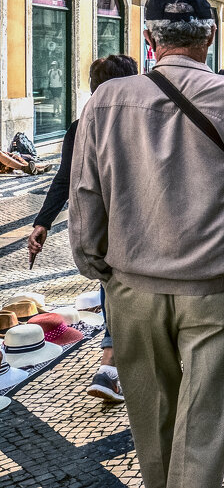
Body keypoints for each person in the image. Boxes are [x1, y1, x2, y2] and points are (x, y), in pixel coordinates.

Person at [69, 0, 224, 488]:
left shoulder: (105, 101)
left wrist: (92, 260)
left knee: (152, 422)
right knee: (203, 427)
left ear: (149, 37)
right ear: (210, 35)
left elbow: (86, 191)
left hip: (132, 290)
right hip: (214, 292)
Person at [28, 54, 137, 404]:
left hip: (99, 228)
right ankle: (110, 366)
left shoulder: (80, 126)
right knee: (128, 293)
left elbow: (64, 179)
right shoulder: (141, 123)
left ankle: (113, 365)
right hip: (138, 224)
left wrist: (42, 222)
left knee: (113, 289)